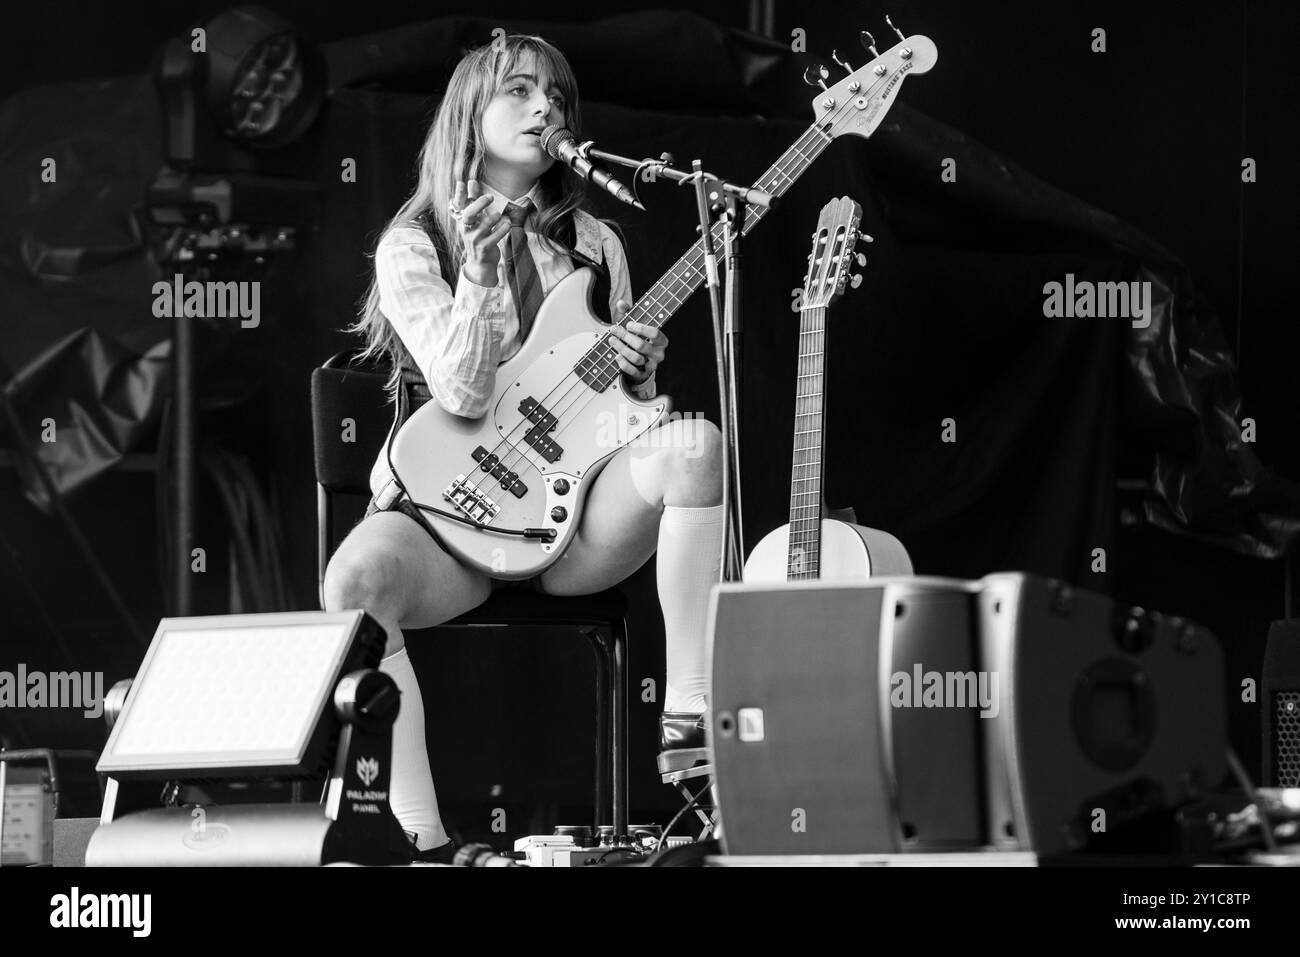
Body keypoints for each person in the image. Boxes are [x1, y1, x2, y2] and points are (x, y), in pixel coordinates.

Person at [325, 33, 723, 861]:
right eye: (520, 92)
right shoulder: (414, 244)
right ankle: (420, 840)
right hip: (450, 520)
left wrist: (638, 382)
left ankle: (689, 715)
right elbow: (466, 393)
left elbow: (614, 418)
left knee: (693, 446)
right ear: (471, 111)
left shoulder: (595, 245)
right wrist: (476, 272)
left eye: (557, 97)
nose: (546, 109)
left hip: (570, 517)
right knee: (355, 582)